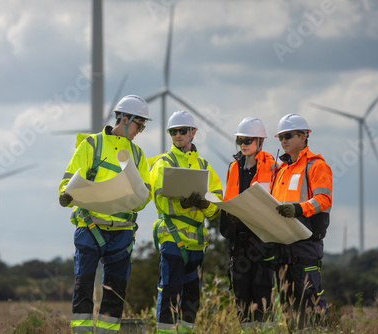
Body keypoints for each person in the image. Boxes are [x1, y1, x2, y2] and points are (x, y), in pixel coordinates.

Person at [58, 95, 152, 333]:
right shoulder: (91, 144)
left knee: (115, 292)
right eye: (138, 124)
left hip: (122, 233)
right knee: (83, 286)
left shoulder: (139, 155)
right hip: (91, 227)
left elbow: (145, 195)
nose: (140, 130)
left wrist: (136, 198)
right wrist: (65, 195)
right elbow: (68, 180)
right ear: (124, 118)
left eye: (143, 126)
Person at [150, 110, 223, 333]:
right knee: (170, 291)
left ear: (193, 133)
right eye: (173, 132)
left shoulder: (204, 166)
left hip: (196, 243)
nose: (177, 135)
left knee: (192, 297)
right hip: (172, 237)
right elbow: (160, 200)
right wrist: (182, 204)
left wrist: (204, 205)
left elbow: (217, 203)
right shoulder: (164, 162)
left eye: (182, 131)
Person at [270, 113, 332, 331]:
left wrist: (299, 209)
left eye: (288, 136)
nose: (283, 141)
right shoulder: (281, 170)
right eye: (280, 138)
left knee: (311, 299)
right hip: (282, 246)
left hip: (306, 244)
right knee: (289, 306)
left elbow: (324, 199)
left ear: (304, 136)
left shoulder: (315, 165)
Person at [219, 117, 278, 332]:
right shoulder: (233, 167)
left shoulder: (273, 166)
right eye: (240, 140)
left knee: (262, 292)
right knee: (242, 294)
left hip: (262, 243)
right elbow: (228, 200)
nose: (243, 144)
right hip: (239, 243)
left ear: (260, 141)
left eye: (248, 140)